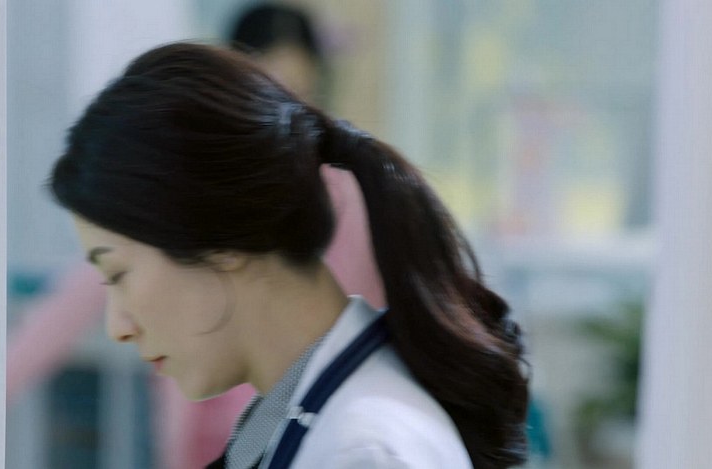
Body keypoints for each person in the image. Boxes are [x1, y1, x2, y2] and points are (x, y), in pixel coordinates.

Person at [48, 42, 529, 468]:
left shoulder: (364, 452)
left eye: (119, 273)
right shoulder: (299, 424)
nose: (118, 327)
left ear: (218, 238)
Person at [7, 4, 384, 468]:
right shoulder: (185, 197)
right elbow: (67, 307)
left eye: (297, 98)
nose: (279, 131)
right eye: (268, 99)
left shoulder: (349, 206)